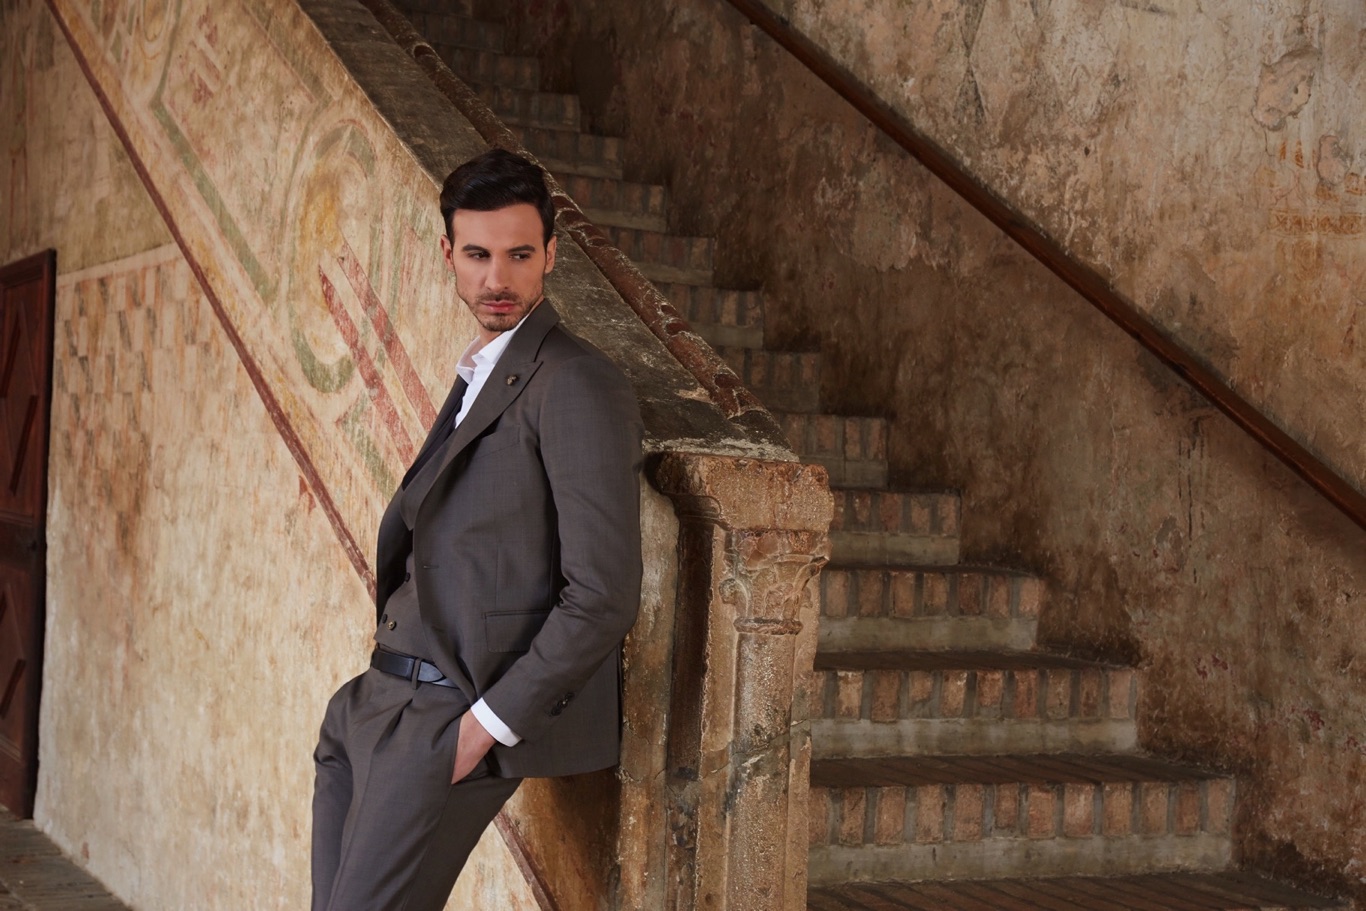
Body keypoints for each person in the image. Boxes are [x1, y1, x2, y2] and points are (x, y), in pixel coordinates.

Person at [310, 149, 644, 911]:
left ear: (550, 253)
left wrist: (480, 729)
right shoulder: (482, 372)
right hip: (371, 706)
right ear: (448, 254)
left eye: (519, 255)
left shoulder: (576, 382)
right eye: (478, 255)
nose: (498, 278)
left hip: (443, 722)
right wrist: (361, 700)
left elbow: (601, 593)